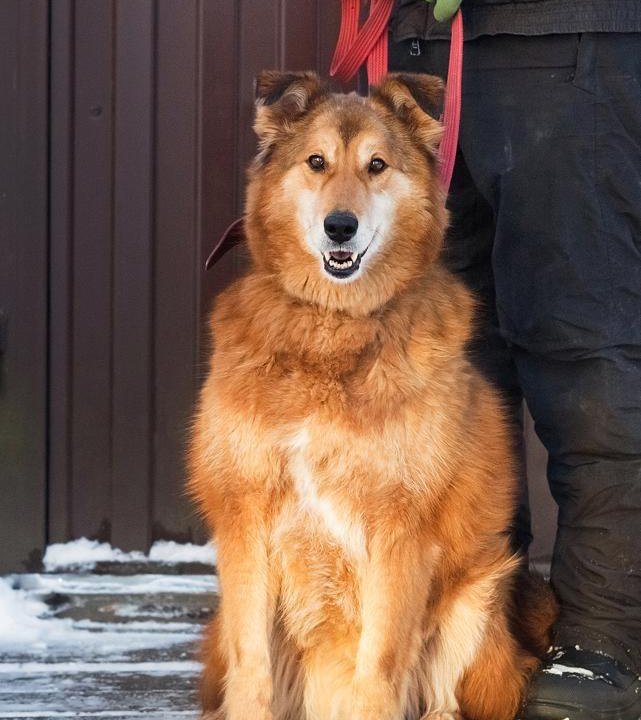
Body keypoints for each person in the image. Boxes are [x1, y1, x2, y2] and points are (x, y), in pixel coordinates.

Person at [387, 1, 641, 717]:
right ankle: (482, 631)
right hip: (417, 51)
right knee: (444, 367)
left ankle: (606, 643)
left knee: (584, 346)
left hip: (562, 39)